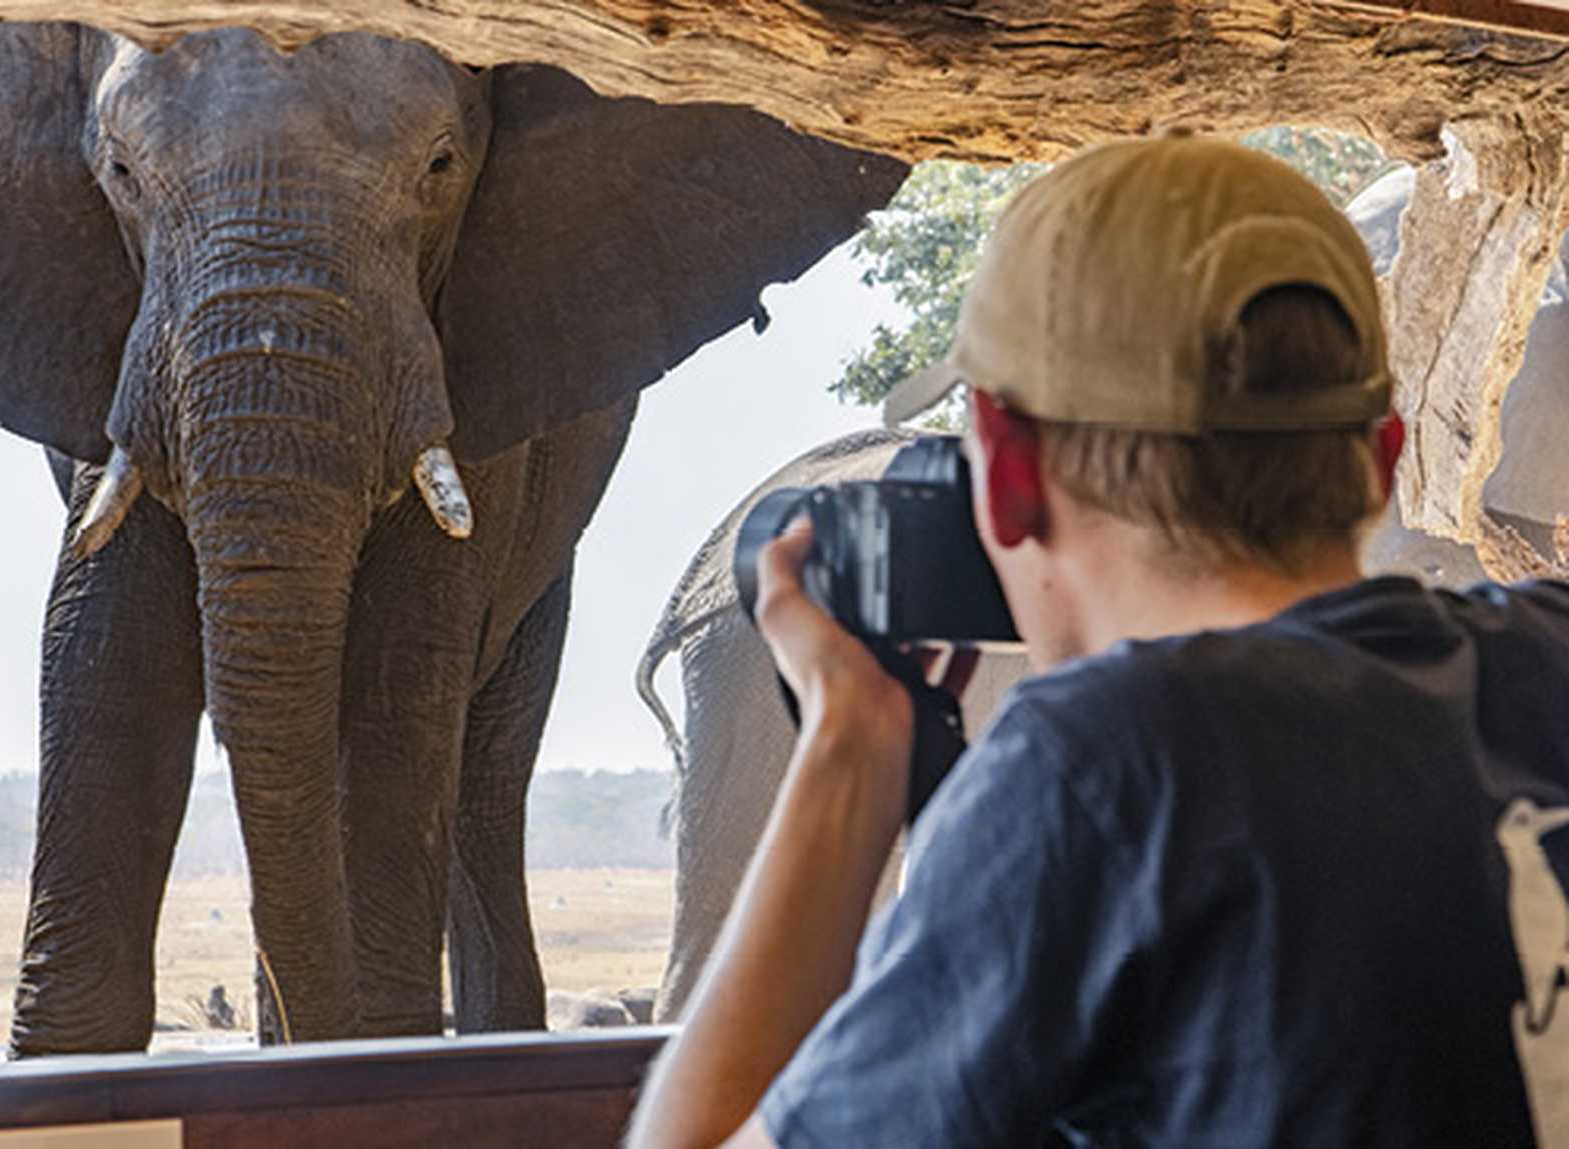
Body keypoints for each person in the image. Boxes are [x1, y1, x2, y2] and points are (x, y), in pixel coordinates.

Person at [626, 135, 1569, 1147]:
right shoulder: (1550, 657)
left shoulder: (1101, 770)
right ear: (1383, 460)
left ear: (1009, 471)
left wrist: (848, 750)